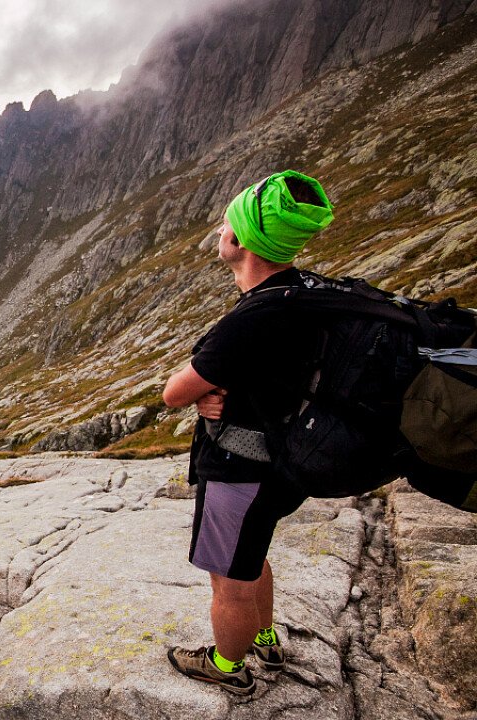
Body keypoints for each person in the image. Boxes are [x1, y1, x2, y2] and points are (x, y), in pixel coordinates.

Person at [161, 170, 335, 695]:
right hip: (284, 462)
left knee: (229, 578)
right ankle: (265, 640)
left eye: (226, 224)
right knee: (252, 554)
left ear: (243, 241)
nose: (220, 230)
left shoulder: (251, 319)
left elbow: (174, 392)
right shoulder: (305, 294)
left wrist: (204, 392)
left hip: (240, 468)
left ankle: (228, 667)